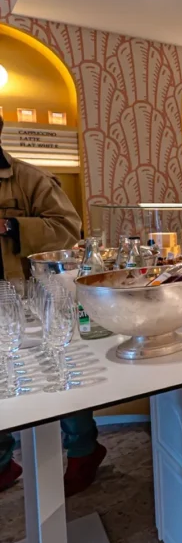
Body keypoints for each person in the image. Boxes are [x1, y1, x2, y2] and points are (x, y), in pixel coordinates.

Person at [0, 114, 106, 497]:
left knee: (58, 370)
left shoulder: (30, 179)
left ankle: (83, 450)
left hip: (27, 295)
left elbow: (68, 227)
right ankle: (2, 462)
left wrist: (10, 226)